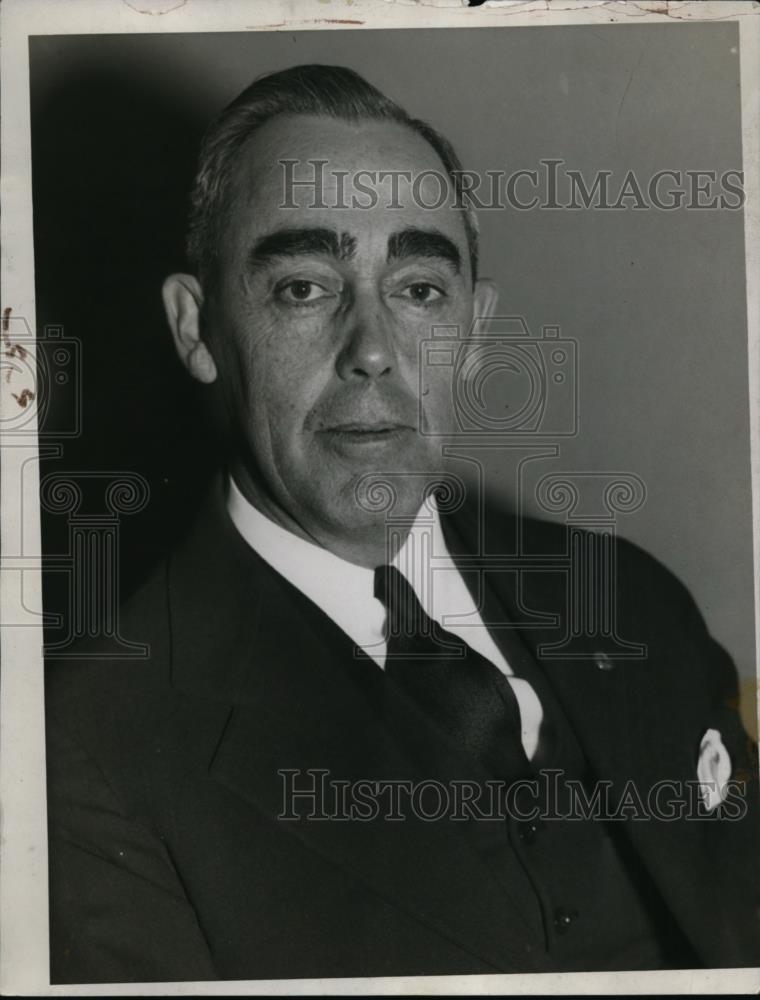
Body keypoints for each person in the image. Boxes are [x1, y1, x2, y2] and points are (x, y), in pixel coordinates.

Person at [45, 64, 760, 984]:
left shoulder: (630, 597)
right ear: (196, 328)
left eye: (420, 289)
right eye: (304, 287)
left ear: (475, 327)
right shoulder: (88, 756)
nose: (374, 349)